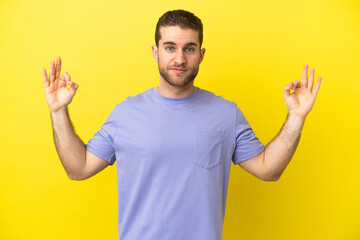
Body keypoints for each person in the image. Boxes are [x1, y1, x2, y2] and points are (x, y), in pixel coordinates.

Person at [42, 9, 322, 240]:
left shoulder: (226, 113)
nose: (179, 58)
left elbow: (268, 169)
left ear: (201, 54)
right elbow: (77, 169)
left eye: (189, 49)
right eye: (170, 48)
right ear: (155, 52)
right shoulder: (125, 114)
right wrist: (58, 111)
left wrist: (296, 117)